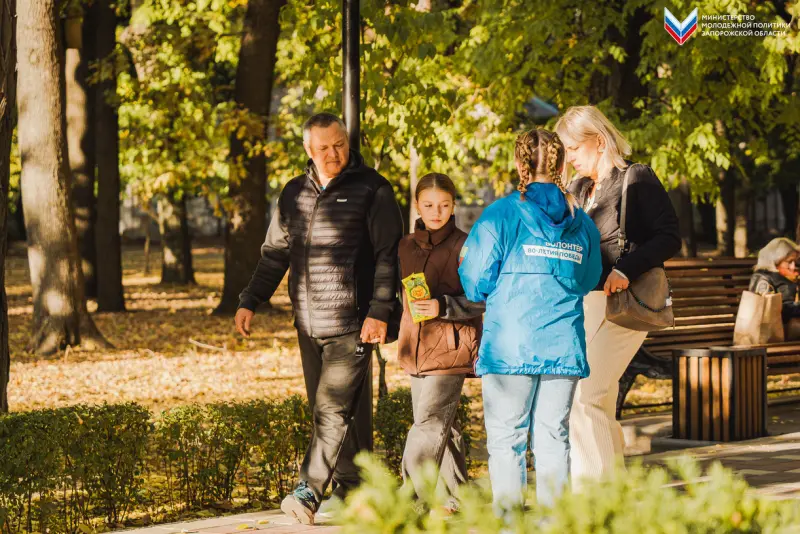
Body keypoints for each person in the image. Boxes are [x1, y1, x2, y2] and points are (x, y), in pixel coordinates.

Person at [234, 113, 404, 524]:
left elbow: (389, 255)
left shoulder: (373, 190)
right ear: (309, 151)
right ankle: (356, 488)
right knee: (329, 409)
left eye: (340, 144)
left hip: (353, 322)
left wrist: (380, 312)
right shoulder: (293, 194)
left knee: (331, 407)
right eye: (324, 147)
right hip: (308, 322)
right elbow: (275, 254)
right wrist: (250, 300)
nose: (334, 153)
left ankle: (309, 490)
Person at [458, 129, 601, 512]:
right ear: (561, 165)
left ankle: (510, 524)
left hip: (510, 347)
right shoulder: (581, 223)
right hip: (562, 345)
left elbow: (474, 283)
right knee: (554, 438)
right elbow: (588, 280)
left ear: (519, 164)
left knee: (507, 441)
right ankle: (555, 524)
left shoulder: (500, 216)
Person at [554, 105, 681, 485]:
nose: (569, 159)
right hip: (584, 304)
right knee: (599, 399)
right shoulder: (578, 190)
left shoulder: (635, 178)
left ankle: (591, 499)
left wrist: (626, 269)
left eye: (573, 149)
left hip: (622, 305)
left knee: (584, 394)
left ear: (597, 139)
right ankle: (610, 496)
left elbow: (669, 236)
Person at [396, 173, 484, 512]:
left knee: (429, 425)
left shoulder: (467, 244)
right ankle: (458, 495)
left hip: (452, 346)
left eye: (445, 205)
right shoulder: (405, 245)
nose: (437, 212)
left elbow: (483, 297)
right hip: (415, 348)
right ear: (417, 205)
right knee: (443, 424)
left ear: (453, 206)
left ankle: (410, 501)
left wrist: (443, 306)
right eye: (429, 205)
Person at [750, 237, 800, 340]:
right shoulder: (762, 279)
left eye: (795, 261)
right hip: (774, 332)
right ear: (775, 261)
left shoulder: (791, 277)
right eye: (789, 262)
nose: (793, 266)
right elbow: (770, 309)